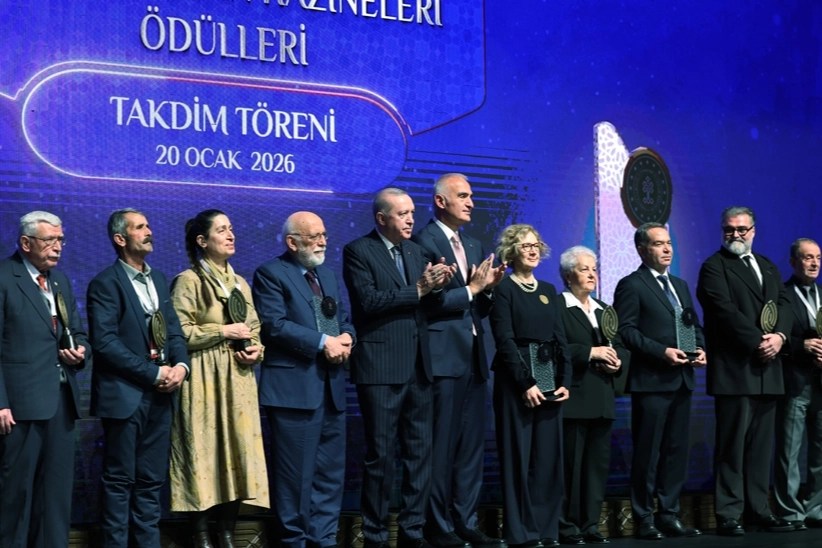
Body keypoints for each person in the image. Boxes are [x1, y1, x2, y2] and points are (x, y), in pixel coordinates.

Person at [342, 187, 454, 548]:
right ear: (381, 218)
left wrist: (438, 287)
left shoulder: (416, 250)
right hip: (381, 367)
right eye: (402, 214)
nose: (410, 220)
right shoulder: (358, 251)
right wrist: (419, 289)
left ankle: (412, 530)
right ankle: (375, 534)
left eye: (412, 213)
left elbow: (428, 305)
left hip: (418, 366)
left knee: (420, 453)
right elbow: (368, 302)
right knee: (381, 455)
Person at [411, 173, 506, 548]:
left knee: (470, 447)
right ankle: (438, 525)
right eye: (463, 196)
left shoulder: (473, 243)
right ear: (440, 201)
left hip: (473, 358)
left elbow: (476, 307)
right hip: (443, 358)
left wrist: (488, 290)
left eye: (471, 196)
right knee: (442, 446)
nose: (470, 203)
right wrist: (473, 288)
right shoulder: (423, 242)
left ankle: (465, 521)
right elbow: (429, 303)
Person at [88, 208, 190, 548]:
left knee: (150, 481)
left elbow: (173, 332)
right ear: (120, 238)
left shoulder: (159, 278)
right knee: (119, 481)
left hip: (162, 394)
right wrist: (153, 373)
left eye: (148, 226)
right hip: (125, 395)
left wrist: (181, 367)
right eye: (140, 227)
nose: (149, 232)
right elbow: (105, 343)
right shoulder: (105, 283)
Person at [252, 211, 355, 548]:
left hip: (331, 386)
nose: (323, 242)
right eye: (314, 237)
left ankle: (324, 538)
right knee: (295, 476)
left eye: (324, 235)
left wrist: (347, 337)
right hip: (294, 390)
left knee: (330, 472)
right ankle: (294, 540)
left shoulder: (327, 274)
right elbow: (274, 325)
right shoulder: (271, 273)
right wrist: (324, 342)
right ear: (292, 242)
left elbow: (342, 318)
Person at [169, 209, 269, 548]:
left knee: (237, 450)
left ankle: (227, 532)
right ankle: (200, 534)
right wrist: (222, 331)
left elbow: (254, 329)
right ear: (202, 241)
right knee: (203, 450)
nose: (231, 235)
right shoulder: (189, 280)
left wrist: (256, 350)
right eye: (222, 230)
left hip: (237, 378)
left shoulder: (240, 283)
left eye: (231, 229)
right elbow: (179, 332)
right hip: (203, 377)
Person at [696, 206, 793, 535]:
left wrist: (780, 337)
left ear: (753, 230)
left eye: (741, 229)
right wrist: (759, 342)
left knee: (760, 448)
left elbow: (784, 304)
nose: (735, 234)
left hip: (770, 368)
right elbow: (722, 311)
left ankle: (758, 509)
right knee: (732, 446)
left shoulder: (767, 265)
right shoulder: (714, 266)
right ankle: (729, 513)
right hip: (735, 369)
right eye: (729, 229)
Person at [0, 211, 88, 548]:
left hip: (61, 403)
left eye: (60, 239)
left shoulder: (59, 281)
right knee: (16, 495)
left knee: (55, 497)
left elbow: (77, 332)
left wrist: (81, 352)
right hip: (19, 407)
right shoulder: (4, 277)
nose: (58, 247)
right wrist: (1, 402)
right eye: (49, 240)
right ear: (26, 243)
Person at [613, 223, 705, 540]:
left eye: (669, 243)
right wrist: (661, 352)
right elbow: (625, 331)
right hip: (651, 380)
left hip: (682, 378)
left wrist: (700, 348)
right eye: (658, 244)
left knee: (676, 452)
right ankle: (643, 517)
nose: (667, 249)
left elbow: (692, 324)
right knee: (648, 453)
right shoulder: (631, 284)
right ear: (642, 250)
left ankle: (669, 514)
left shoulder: (679, 285)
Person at [489, 223, 571, 548]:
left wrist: (565, 381)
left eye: (536, 244)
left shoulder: (548, 290)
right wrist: (525, 383)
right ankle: (521, 533)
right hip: (516, 385)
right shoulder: (503, 289)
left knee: (548, 460)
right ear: (511, 252)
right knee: (518, 459)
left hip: (550, 382)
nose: (533, 250)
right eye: (525, 245)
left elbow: (560, 338)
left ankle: (547, 530)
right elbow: (505, 340)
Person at [557, 246, 629, 545]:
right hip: (574, 398)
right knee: (571, 467)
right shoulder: (558, 307)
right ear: (567, 275)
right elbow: (556, 347)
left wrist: (617, 363)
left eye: (594, 269)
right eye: (583, 269)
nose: (591, 274)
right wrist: (590, 352)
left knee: (596, 468)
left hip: (602, 397)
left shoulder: (603, 309)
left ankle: (590, 524)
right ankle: (567, 526)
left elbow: (620, 346)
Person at [774, 238, 822, 529]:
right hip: (795, 381)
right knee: (788, 450)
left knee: (820, 449)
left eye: (817, 257)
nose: (814, 263)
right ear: (793, 262)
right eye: (807, 258)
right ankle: (789, 511)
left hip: (821, 382)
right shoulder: (782, 295)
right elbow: (774, 335)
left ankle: (817, 508)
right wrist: (800, 345)